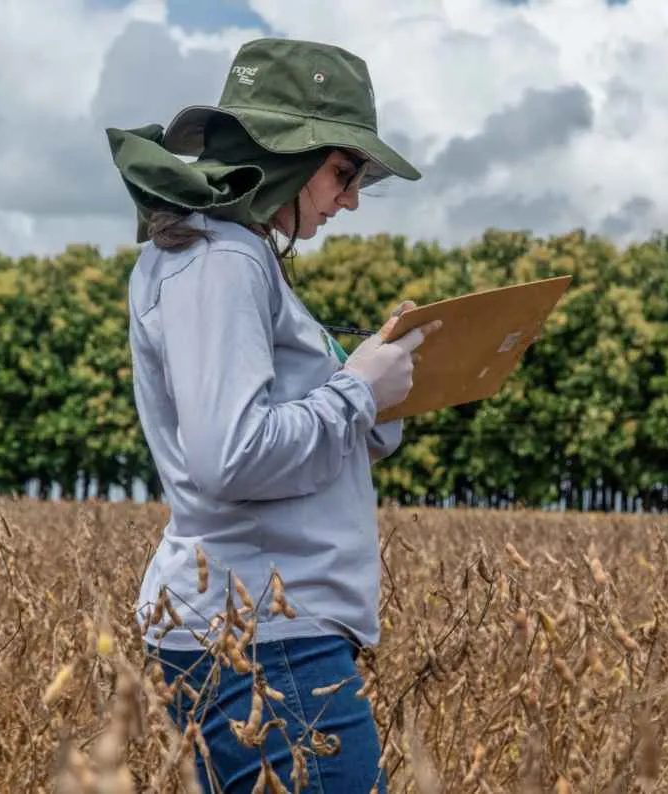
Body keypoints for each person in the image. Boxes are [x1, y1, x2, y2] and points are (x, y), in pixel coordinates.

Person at [105, 37, 441, 793]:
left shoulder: (230, 253)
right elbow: (232, 457)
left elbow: (271, 434)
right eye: (343, 171)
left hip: (261, 625)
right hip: (263, 632)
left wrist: (373, 390)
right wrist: (356, 391)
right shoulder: (220, 260)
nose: (351, 197)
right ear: (288, 156)